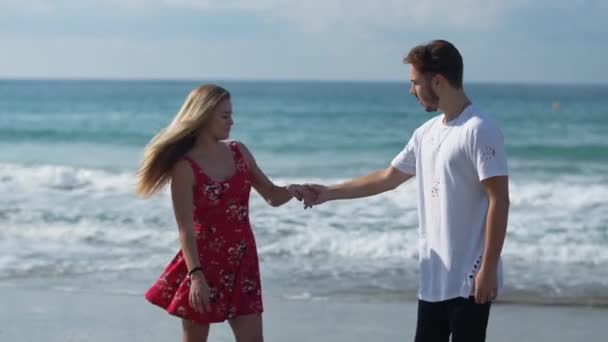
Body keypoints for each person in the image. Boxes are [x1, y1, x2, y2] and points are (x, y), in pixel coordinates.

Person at [302, 40, 510, 342]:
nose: (411, 90)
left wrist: (488, 268)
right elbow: (387, 177)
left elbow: (499, 199)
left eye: (415, 82)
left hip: (470, 278)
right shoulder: (425, 133)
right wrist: (328, 192)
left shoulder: (479, 128)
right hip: (434, 279)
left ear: (437, 81)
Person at [136, 84, 308, 342]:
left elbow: (271, 195)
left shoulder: (239, 152)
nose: (232, 122)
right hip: (203, 266)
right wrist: (196, 277)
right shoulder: (185, 167)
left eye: (231, 115)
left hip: (242, 262)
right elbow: (185, 229)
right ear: (204, 117)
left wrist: (295, 190)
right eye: (225, 116)